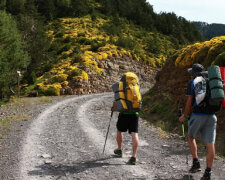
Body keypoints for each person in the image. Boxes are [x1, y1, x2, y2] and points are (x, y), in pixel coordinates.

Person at [179, 63, 217, 180]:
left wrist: (184, 116)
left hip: (198, 115)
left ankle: (196, 164)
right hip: (212, 116)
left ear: (194, 73)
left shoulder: (193, 82)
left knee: (191, 136)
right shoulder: (212, 81)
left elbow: (189, 102)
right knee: (210, 144)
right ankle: (208, 173)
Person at [111, 73, 141, 165]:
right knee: (134, 134)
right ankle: (134, 157)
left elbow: (117, 100)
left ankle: (119, 150)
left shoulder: (121, 87)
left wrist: (113, 108)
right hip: (135, 113)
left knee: (119, 130)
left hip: (124, 113)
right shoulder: (136, 85)